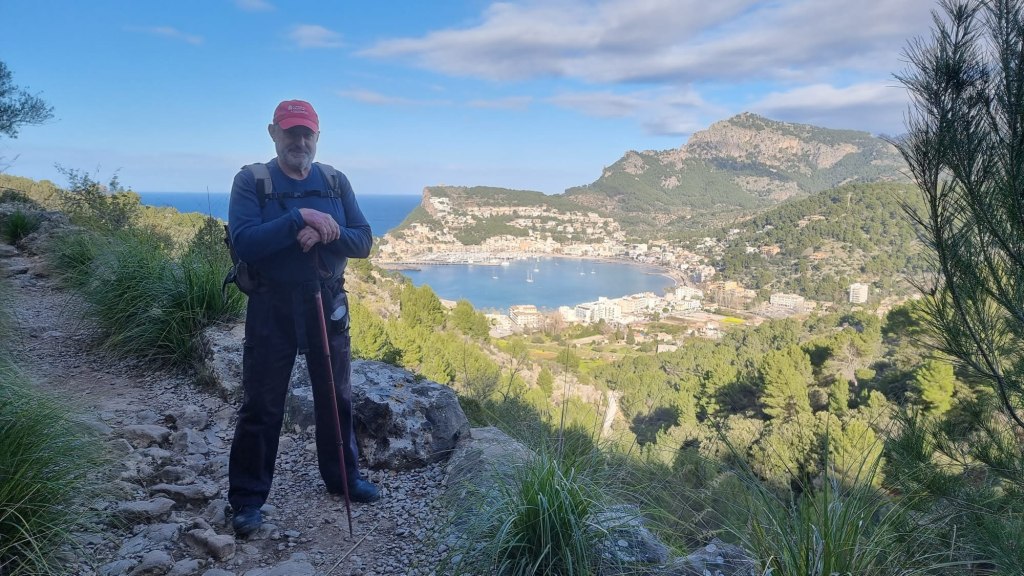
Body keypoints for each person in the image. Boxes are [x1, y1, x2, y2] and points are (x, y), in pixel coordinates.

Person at [226, 99, 378, 537]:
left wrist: (325, 227)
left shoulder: (334, 181)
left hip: (326, 302)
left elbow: (363, 240)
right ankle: (248, 500)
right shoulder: (251, 181)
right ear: (273, 133)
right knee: (262, 404)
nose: (299, 140)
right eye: (291, 132)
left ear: (317, 136)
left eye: (306, 132)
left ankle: (343, 479)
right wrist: (298, 219)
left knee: (336, 398)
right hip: (271, 305)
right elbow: (245, 242)